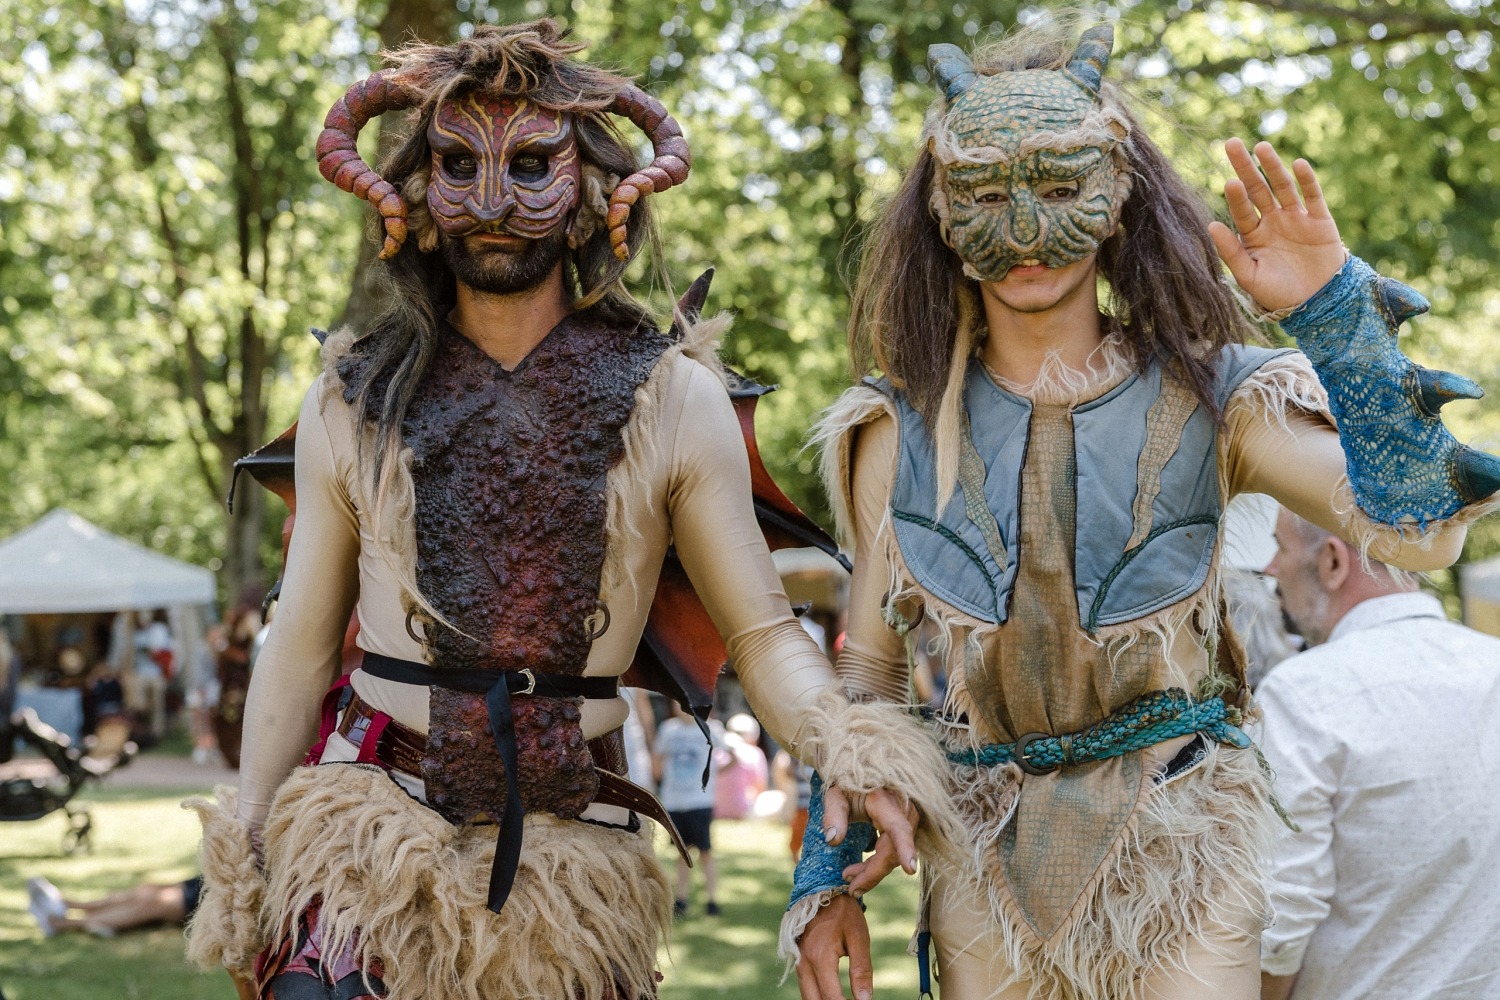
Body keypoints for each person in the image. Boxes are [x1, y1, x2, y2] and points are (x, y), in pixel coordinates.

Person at [184, 20, 933, 1000]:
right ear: (414, 189)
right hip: (361, 836)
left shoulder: (674, 398)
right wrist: (246, 844)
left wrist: (849, 746)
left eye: (532, 163)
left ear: (589, 189)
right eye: (459, 163)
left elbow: (762, 634)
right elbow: (300, 641)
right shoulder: (352, 394)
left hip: (571, 865)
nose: (494, 199)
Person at [786, 18, 1500, 1000]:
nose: (1027, 229)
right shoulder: (896, 428)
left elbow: (1421, 533)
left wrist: (1335, 313)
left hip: (1182, 849)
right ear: (942, 210)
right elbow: (866, 676)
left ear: (1117, 190)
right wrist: (824, 876)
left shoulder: (1220, 400)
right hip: (980, 868)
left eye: (1060, 184)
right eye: (989, 192)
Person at [1255, 508, 1500, 1000]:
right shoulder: (1492, 665)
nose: (1269, 570)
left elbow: (1281, 919)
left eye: (1280, 548)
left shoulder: (1302, 694)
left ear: (1332, 562)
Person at [654, 704, 728, 916]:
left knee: (705, 851)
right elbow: (658, 758)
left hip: (700, 801)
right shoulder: (668, 729)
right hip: (675, 801)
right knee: (682, 852)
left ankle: (712, 899)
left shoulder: (711, 727)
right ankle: (682, 898)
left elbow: (731, 754)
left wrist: (714, 774)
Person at [27, 874, 203, 938]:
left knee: (154, 903)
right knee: (147, 890)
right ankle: (66, 904)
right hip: (207, 884)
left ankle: (59, 923)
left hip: (210, 900)